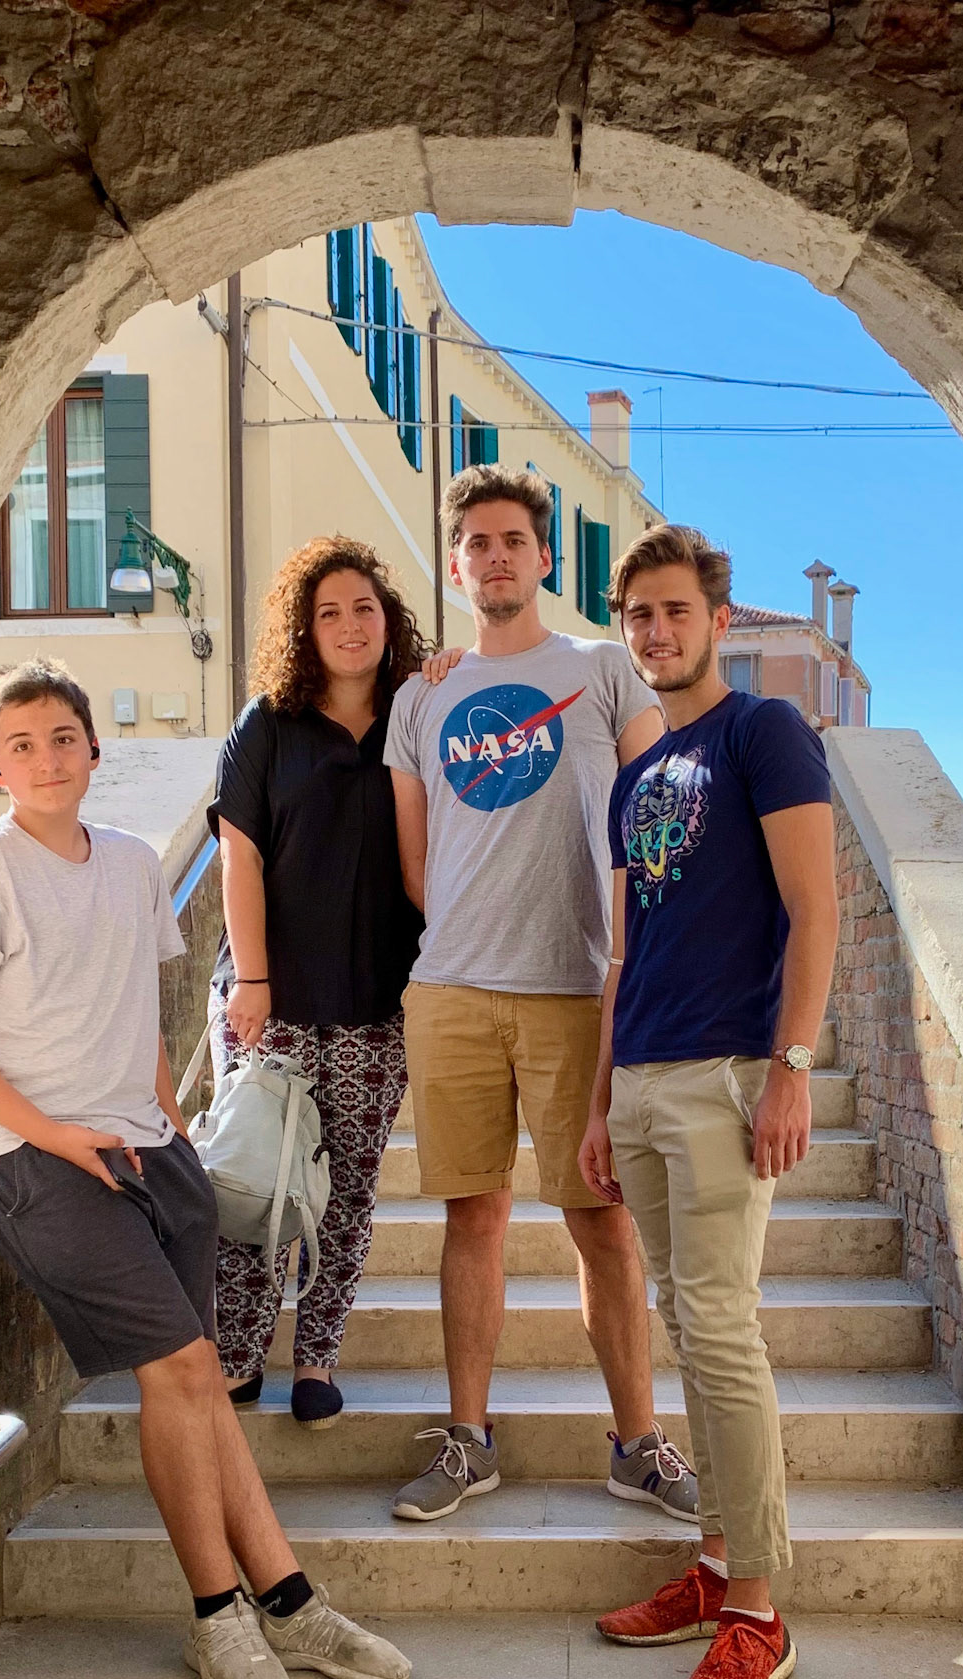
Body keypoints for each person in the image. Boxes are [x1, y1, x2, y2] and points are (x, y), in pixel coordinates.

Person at [0, 656, 411, 1679]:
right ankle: (218, 1614)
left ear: (92, 749)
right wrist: (59, 1137)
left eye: (62, 738)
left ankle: (288, 1603)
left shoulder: (125, 862)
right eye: (20, 745)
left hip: (150, 1147)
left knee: (199, 1378)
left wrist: (170, 1126)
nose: (46, 758)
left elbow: (140, 1013)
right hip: (27, 1153)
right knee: (188, 1371)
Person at [383, 463, 698, 1525]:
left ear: (545, 557)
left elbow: (660, 822)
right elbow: (415, 859)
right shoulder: (422, 693)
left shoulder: (603, 669)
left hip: (578, 988)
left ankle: (637, 1444)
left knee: (599, 1223)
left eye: (513, 539)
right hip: (452, 989)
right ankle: (467, 1440)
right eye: (476, 542)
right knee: (471, 1218)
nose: (495, 556)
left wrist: (640, 957)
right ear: (455, 564)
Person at [578, 525, 838, 1679]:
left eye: (675, 610)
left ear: (716, 620)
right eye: (637, 613)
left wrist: (791, 1068)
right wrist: (600, 1099)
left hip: (729, 1073)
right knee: (687, 1323)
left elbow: (812, 904)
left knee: (721, 1332)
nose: (655, 630)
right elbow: (624, 951)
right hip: (640, 1077)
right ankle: (716, 1556)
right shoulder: (638, 772)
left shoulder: (760, 731)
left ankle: (757, 1614)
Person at [207, 539, 426, 1426]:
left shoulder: (417, 716)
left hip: (377, 1000)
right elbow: (239, 857)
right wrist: (253, 978)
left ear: (389, 620)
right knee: (254, 1180)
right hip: (273, 999)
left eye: (363, 608)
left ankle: (317, 1360)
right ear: (304, 629)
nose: (348, 625)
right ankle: (237, 1357)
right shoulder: (267, 724)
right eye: (327, 612)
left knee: (348, 1192)